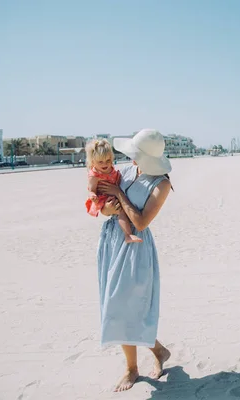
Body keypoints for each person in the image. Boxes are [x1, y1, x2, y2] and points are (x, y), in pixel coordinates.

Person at [96, 129, 173, 392]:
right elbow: (102, 206)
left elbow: (140, 221)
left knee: (128, 306)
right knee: (116, 304)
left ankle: (139, 364)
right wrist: (108, 205)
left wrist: (119, 194)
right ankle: (150, 355)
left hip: (136, 247)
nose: (131, 158)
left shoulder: (161, 184)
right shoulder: (127, 171)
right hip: (112, 241)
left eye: (136, 155)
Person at [85, 139, 142, 244]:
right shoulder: (94, 175)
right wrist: (93, 196)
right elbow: (91, 190)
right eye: (100, 162)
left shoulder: (111, 169)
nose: (105, 164)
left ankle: (128, 234)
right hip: (104, 197)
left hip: (114, 193)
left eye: (108, 160)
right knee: (121, 211)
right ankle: (128, 235)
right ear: (93, 161)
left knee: (123, 209)